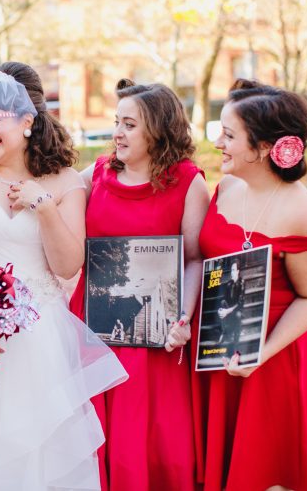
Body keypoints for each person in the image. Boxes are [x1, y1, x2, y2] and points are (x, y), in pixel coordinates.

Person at [0, 62, 128, 491]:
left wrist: (44, 208)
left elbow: (67, 266)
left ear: (26, 120)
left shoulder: (64, 182)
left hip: (42, 335)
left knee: (41, 454)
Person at [192, 79, 307, 491]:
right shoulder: (228, 186)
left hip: (271, 358)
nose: (217, 142)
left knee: (263, 475)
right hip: (218, 347)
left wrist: (262, 354)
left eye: (229, 135)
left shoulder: (301, 212)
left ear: (262, 148)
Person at [69, 80, 209, 490]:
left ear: (159, 129)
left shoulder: (188, 181)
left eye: (129, 125)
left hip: (157, 335)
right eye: (117, 122)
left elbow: (195, 258)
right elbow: (56, 198)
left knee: (153, 441)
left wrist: (183, 318)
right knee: (98, 437)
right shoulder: (95, 174)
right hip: (94, 329)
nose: (117, 133)